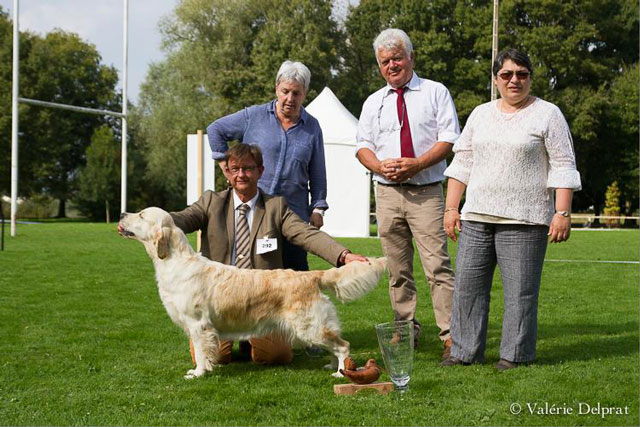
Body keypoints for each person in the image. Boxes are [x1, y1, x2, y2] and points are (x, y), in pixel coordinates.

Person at [440, 48, 581, 370]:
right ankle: (463, 352)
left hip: (525, 219)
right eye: (506, 75)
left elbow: (563, 165)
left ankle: (515, 356)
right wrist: (451, 209)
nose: (514, 80)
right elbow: (462, 162)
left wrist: (561, 213)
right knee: (467, 289)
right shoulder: (480, 113)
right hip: (476, 217)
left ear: (530, 77)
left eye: (521, 74)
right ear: (495, 79)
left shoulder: (548, 114)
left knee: (520, 294)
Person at [170, 143, 368, 365]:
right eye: (235, 169)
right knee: (215, 356)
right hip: (219, 301)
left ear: (260, 171)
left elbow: (306, 234)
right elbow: (182, 218)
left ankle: (253, 342)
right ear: (227, 172)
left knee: (276, 356)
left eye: (248, 168)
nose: (241, 175)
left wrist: (343, 256)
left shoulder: (276, 206)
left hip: (264, 300)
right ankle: (238, 343)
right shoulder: (211, 202)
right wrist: (152, 221)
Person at [355, 28, 459, 359]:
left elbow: (449, 139)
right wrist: (377, 167)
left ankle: (452, 336)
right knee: (398, 271)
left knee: (437, 268)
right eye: (385, 61)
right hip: (386, 194)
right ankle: (405, 330)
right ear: (379, 65)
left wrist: (417, 164)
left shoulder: (435, 92)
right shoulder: (374, 102)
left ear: (411, 57)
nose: (392, 65)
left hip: (426, 191)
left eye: (397, 58)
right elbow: (362, 147)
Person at [207, 60, 327, 272]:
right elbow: (215, 129)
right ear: (276, 89)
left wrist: (318, 209)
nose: (290, 98)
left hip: (293, 216)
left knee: (296, 280)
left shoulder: (313, 127)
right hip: (254, 215)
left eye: (296, 93)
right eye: (285, 91)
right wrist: (228, 167)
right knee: (255, 280)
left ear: (305, 93)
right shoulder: (253, 116)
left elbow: (317, 173)